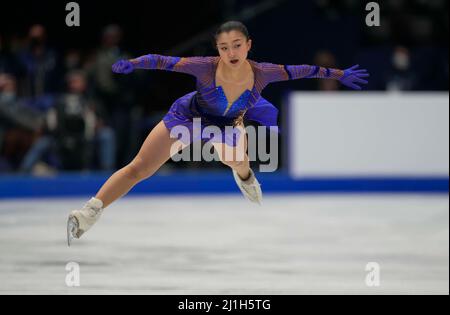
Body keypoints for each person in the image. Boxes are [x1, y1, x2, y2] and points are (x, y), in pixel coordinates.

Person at [67, 21, 369, 245]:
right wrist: (132, 64)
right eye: (224, 47)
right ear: (218, 50)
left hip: (226, 126)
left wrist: (339, 74)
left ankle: (246, 176)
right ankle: (90, 211)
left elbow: (303, 69)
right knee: (139, 168)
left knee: (237, 162)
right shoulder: (204, 67)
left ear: (248, 44)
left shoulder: (263, 72)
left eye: (237, 45)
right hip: (187, 115)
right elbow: (163, 61)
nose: (231, 52)